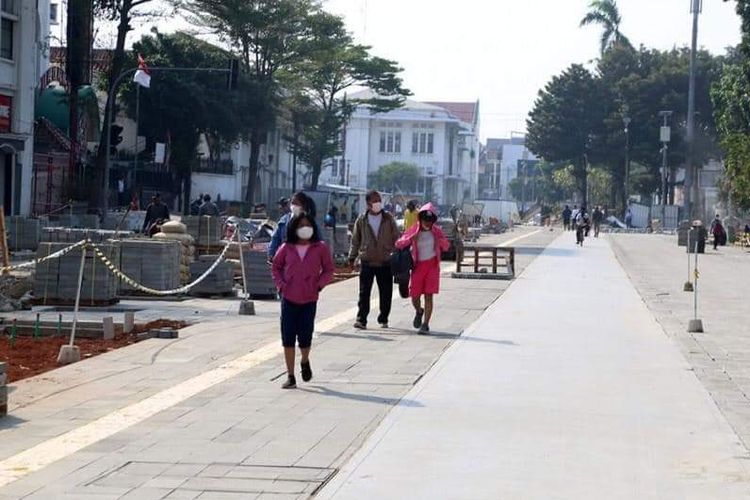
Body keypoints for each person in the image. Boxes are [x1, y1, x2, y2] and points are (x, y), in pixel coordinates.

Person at [272, 213, 335, 389]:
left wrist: (319, 285)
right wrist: (281, 285)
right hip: (289, 298)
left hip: (309, 298)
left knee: (305, 336)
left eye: (308, 225)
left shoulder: (320, 247)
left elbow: (329, 269)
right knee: (288, 337)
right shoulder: (286, 247)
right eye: (301, 226)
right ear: (294, 229)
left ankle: (305, 360)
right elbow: (276, 267)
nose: (305, 229)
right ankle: (290, 375)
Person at [349, 190, 399, 329]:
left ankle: (384, 317)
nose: (378, 202)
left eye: (379, 199)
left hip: (385, 261)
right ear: (368, 203)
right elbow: (355, 240)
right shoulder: (362, 220)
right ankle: (361, 319)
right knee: (364, 293)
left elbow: (397, 237)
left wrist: (397, 253)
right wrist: (352, 257)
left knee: (386, 293)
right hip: (367, 261)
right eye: (374, 200)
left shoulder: (388, 218)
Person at [396, 203, 449, 334]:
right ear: (420, 219)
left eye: (430, 221)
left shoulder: (437, 231)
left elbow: (446, 246)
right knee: (414, 296)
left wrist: (440, 240)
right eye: (425, 220)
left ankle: (425, 324)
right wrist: (410, 239)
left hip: (432, 266)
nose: (427, 223)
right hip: (418, 266)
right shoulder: (415, 229)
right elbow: (398, 243)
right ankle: (419, 311)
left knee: (429, 296)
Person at [268, 192, 318, 261]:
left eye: (296, 203)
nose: (293, 206)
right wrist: (271, 253)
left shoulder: (310, 222)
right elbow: (275, 238)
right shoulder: (284, 220)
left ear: (303, 206)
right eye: (292, 203)